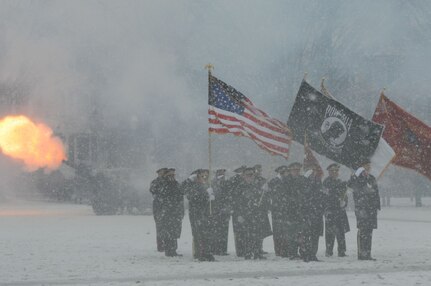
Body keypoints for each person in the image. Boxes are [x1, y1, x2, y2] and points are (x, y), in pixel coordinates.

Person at [234, 167, 270, 260]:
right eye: (248, 175)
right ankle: (248, 252)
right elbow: (237, 202)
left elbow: (264, 200)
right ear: (244, 176)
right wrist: (239, 214)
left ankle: (258, 252)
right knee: (246, 234)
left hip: (256, 213)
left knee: (258, 234)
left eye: (252, 175)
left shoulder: (258, 186)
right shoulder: (240, 187)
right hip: (245, 214)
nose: (250, 177)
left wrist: (266, 192)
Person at [348, 159, 381, 261]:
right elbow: (350, 185)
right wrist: (356, 175)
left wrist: (377, 205)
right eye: (366, 166)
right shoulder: (356, 178)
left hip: (371, 208)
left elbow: (376, 192)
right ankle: (361, 253)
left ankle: (368, 253)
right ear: (361, 167)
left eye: (369, 166)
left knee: (369, 232)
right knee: (362, 231)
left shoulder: (371, 178)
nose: (368, 167)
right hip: (362, 208)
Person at [183, 169, 215, 262]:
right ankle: (199, 254)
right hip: (196, 214)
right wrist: (206, 194)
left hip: (206, 214)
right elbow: (193, 196)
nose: (205, 178)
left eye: (206, 176)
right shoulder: (192, 186)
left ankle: (207, 253)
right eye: (202, 176)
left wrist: (211, 196)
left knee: (208, 234)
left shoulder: (206, 186)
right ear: (197, 177)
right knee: (198, 235)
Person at [323, 163, 350, 257]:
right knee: (330, 232)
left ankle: (341, 251)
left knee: (341, 231)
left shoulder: (340, 182)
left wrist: (344, 202)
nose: (335, 172)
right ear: (329, 172)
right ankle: (329, 250)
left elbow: (345, 196)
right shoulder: (326, 182)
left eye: (336, 171)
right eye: (332, 171)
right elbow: (327, 196)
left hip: (340, 210)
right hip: (330, 210)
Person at [300, 164, 326, 262]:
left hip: (317, 212)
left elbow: (322, 196)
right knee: (306, 235)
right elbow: (304, 194)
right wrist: (306, 180)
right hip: (307, 213)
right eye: (311, 171)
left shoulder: (319, 182)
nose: (313, 173)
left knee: (315, 236)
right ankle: (305, 254)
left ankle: (313, 254)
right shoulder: (303, 182)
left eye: (314, 171)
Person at [157, 168, 184, 257]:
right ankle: (168, 250)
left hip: (175, 212)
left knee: (174, 232)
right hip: (167, 212)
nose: (172, 177)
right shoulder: (163, 184)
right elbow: (162, 195)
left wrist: (181, 211)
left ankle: (173, 250)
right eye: (170, 175)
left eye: (173, 175)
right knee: (168, 232)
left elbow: (180, 196)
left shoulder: (176, 184)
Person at [283, 162, 306, 260]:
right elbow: (283, 195)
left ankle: (302, 252)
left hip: (301, 211)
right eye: (294, 170)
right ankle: (292, 253)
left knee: (301, 233)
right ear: (290, 170)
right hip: (290, 211)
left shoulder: (303, 180)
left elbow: (306, 193)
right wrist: (292, 200)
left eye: (297, 170)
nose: (296, 172)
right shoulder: (286, 181)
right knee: (291, 234)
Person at [268, 165, 288, 256]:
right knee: (277, 231)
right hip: (276, 209)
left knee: (286, 230)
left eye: (285, 171)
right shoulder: (273, 181)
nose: (284, 172)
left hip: (286, 208)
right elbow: (269, 194)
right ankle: (278, 250)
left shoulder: (287, 180)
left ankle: (285, 250)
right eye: (282, 171)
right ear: (278, 171)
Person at [228, 165, 247, 257]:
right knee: (238, 232)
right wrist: (236, 210)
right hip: (237, 210)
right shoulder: (234, 180)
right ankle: (240, 250)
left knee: (246, 231)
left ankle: (246, 249)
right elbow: (233, 196)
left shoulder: (245, 180)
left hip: (246, 210)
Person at [210, 168, 230, 255]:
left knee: (224, 231)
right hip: (216, 210)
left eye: (223, 173)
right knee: (216, 231)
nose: (222, 174)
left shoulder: (226, 182)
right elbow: (216, 194)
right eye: (220, 172)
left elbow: (229, 195)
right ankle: (215, 249)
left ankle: (223, 249)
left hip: (225, 210)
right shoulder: (212, 183)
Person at [253, 164, 272, 255]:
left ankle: (260, 247)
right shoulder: (251, 180)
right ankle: (254, 248)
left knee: (262, 230)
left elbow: (267, 196)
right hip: (253, 208)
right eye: (257, 170)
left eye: (260, 170)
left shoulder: (264, 180)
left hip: (262, 209)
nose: (259, 172)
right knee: (254, 230)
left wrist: (268, 206)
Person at [149, 168, 167, 252]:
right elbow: (152, 190)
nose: (162, 175)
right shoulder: (155, 182)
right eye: (161, 173)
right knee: (159, 227)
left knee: (167, 227)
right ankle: (160, 246)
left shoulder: (168, 182)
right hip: (158, 207)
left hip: (166, 207)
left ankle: (167, 244)